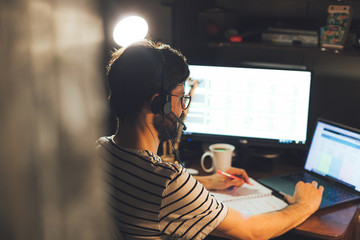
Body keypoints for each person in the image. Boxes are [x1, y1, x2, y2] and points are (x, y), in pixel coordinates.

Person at [96, 39, 324, 240]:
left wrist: (205, 182)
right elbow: (253, 231)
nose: (183, 108)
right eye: (182, 98)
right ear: (159, 103)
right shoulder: (167, 182)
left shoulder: (100, 151)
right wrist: (306, 204)